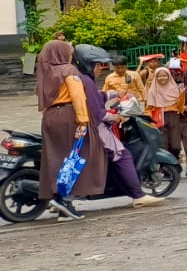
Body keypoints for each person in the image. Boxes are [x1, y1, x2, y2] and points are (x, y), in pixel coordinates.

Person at [77, 45, 162, 210]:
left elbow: (99, 95)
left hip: (85, 125)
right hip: (95, 128)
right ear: (88, 65)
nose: (100, 70)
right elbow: (97, 112)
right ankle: (138, 195)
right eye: (97, 66)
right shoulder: (87, 81)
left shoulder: (80, 79)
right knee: (123, 156)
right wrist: (114, 117)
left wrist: (115, 94)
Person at [36, 40, 106, 220]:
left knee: (56, 159)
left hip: (50, 118)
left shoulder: (45, 72)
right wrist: (83, 122)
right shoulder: (69, 70)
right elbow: (77, 96)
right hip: (68, 115)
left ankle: (61, 205)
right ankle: (64, 199)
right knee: (73, 159)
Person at [146, 67, 182, 152]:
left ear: (169, 76)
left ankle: (174, 163)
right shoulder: (153, 91)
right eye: (159, 76)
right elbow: (148, 109)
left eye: (165, 75)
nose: (162, 78)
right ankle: (165, 164)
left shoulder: (175, 89)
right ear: (156, 77)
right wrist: (149, 121)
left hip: (174, 119)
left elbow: (180, 106)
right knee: (163, 145)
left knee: (175, 146)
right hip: (159, 118)